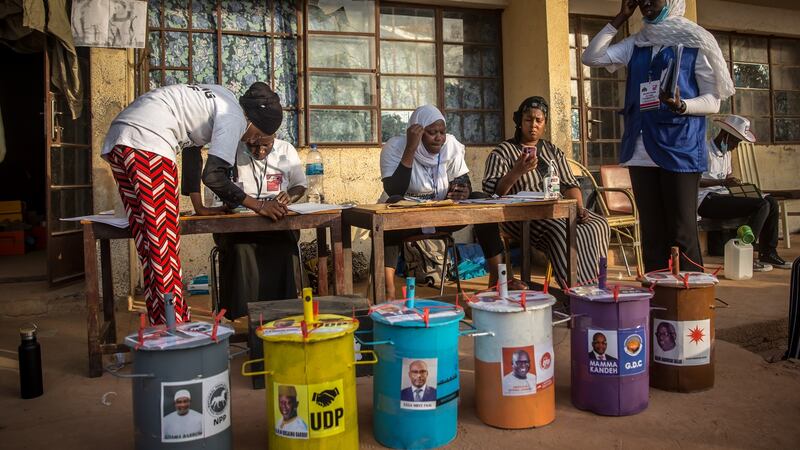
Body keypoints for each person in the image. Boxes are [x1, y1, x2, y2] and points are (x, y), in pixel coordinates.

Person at [102, 82, 283, 325]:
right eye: (257, 135)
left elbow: (191, 152)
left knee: (150, 242)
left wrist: (199, 207)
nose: (252, 140)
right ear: (254, 125)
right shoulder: (234, 118)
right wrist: (259, 205)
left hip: (121, 140)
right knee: (164, 244)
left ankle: (162, 324)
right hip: (149, 143)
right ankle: (176, 328)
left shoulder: (222, 96)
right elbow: (214, 176)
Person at [581, 0, 733, 273]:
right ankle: (658, 301)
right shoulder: (638, 42)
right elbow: (591, 57)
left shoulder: (695, 42)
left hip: (679, 149)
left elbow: (713, 100)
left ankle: (689, 304)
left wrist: (683, 105)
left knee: (682, 230)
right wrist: (619, 18)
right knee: (652, 233)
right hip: (640, 150)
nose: (646, 4)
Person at [380, 104, 524, 299]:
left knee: (480, 200)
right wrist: (411, 148)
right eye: (432, 132)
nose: (439, 137)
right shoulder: (395, 147)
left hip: (443, 215)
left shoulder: (450, 146)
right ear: (417, 131)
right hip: (408, 220)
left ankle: (497, 277)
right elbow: (393, 189)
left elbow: (464, 181)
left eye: (442, 132)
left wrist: (463, 191)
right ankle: (387, 289)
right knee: (393, 208)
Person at [183, 121, 307, 320]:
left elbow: (300, 185)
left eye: (266, 145)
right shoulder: (230, 151)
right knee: (241, 249)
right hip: (239, 229)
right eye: (254, 145)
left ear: (274, 137)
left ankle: (284, 312)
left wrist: (288, 197)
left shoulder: (287, 150)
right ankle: (242, 315)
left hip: (277, 226)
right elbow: (213, 182)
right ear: (249, 137)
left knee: (284, 247)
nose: (259, 150)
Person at [482, 96, 611, 287]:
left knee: (597, 223)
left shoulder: (553, 151)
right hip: (517, 217)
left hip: (555, 211)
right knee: (560, 230)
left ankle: (597, 284)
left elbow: (570, 184)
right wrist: (517, 171)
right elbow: (493, 195)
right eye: (528, 120)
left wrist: (579, 208)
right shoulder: (503, 152)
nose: (533, 125)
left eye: (538, 120)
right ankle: (574, 288)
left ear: (545, 124)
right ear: (519, 122)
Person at [697, 115, 792, 271]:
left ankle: (768, 253)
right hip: (706, 200)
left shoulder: (726, 153)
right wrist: (722, 182)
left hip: (724, 195)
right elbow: (695, 181)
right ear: (725, 135)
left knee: (771, 202)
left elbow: (726, 178)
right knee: (761, 206)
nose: (735, 146)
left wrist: (738, 186)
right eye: (735, 141)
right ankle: (744, 254)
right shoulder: (704, 150)